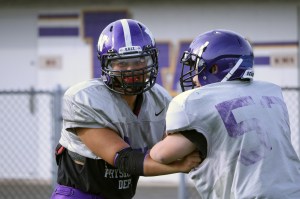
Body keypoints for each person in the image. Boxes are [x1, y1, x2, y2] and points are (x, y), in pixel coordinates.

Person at [50, 19, 201, 199]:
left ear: (151, 60)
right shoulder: (84, 99)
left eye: (138, 61)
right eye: (121, 63)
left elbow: (169, 148)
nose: (131, 70)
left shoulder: (159, 98)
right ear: (107, 65)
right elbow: (124, 159)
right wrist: (180, 166)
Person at [150, 29, 300, 198]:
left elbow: (162, 155)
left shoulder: (200, 102)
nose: (193, 78)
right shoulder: (271, 92)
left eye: (198, 68)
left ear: (214, 68)